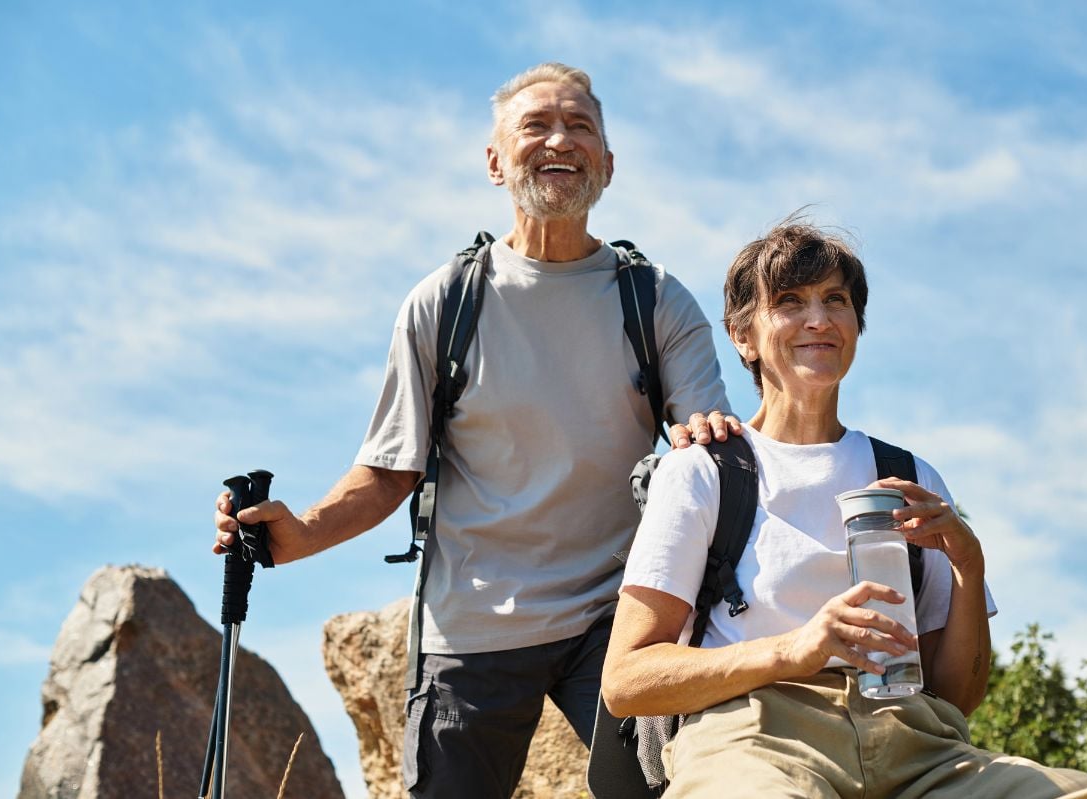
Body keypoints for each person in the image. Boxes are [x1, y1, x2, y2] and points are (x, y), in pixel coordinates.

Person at [212, 63, 738, 798]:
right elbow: (390, 470)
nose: (560, 138)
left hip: (612, 618)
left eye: (580, 125)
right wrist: (299, 532)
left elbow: (701, 438)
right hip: (472, 629)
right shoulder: (444, 302)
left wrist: (709, 438)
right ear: (495, 162)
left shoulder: (654, 300)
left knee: (680, 786)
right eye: (536, 125)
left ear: (609, 165)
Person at [601, 218, 1087, 798]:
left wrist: (968, 570)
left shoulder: (908, 475)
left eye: (836, 300)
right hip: (756, 740)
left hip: (918, 748)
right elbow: (627, 680)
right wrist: (793, 650)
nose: (819, 320)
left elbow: (955, 696)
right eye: (790, 302)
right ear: (742, 335)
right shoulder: (704, 469)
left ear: (856, 324)